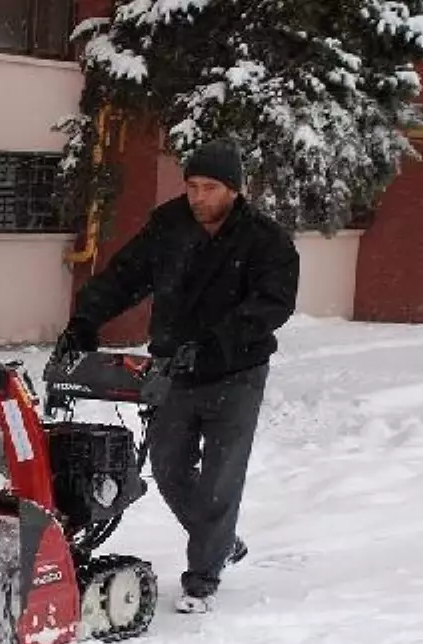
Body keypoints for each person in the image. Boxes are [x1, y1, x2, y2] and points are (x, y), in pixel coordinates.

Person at [52, 137, 300, 614]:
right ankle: (221, 540)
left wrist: (212, 344)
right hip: (173, 372)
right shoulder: (169, 226)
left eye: (210, 187)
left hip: (236, 374)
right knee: (167, 470)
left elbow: (271, 305)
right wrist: (85, 319)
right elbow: (125, 275)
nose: (198, 197)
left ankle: (202, 578)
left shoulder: (265, 241)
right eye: (192, 186)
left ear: (234, 189)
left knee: (219, 480)